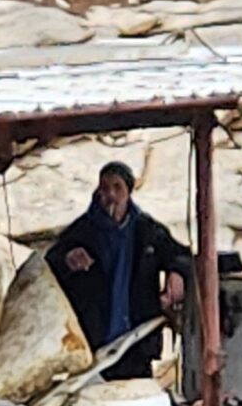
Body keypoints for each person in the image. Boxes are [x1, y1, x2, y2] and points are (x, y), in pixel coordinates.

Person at [53, 160, 192, 381]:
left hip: (137, 339)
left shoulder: (146, 230)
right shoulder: (82, 231)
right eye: (105, 188)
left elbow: (180, 255)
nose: (111, 195)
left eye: (117, 187)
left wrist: (177, 273)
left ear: (129, 191)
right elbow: (51, 264)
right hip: (95, 342)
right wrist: (68, 260)